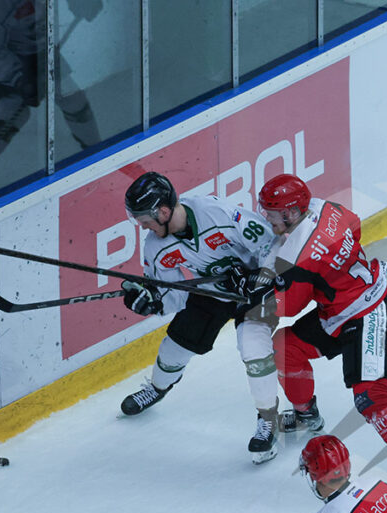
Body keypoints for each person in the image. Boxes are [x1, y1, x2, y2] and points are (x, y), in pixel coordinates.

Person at [253, 173, 387, 510]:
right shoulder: (324, 207)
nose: (267, 219)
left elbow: (288, 307)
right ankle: (306, 414)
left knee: (371, 397)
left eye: (271, 214)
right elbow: (354, 226)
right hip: (340, 309)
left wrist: (260, 292)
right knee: (286, 346)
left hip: (368, 311)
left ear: (290, 213)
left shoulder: (297, 254)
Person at [120, 171, 284, 464]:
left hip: (253, 296)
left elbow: (272, 244)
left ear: (163, 212)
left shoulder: (217, 213)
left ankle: (269, 419)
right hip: (211, 294)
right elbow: (173, 296)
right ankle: (157, 388)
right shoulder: (155, 247)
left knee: (254, 352)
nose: (143, 227)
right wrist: (152, 302)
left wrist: (259, 278)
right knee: (173, 348)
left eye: (144, 220)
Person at [0, 0, 102, 200]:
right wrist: (19, 79)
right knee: (13, 112)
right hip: (5, 58)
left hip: (40, 48)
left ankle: (95, 150)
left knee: (72, 98)